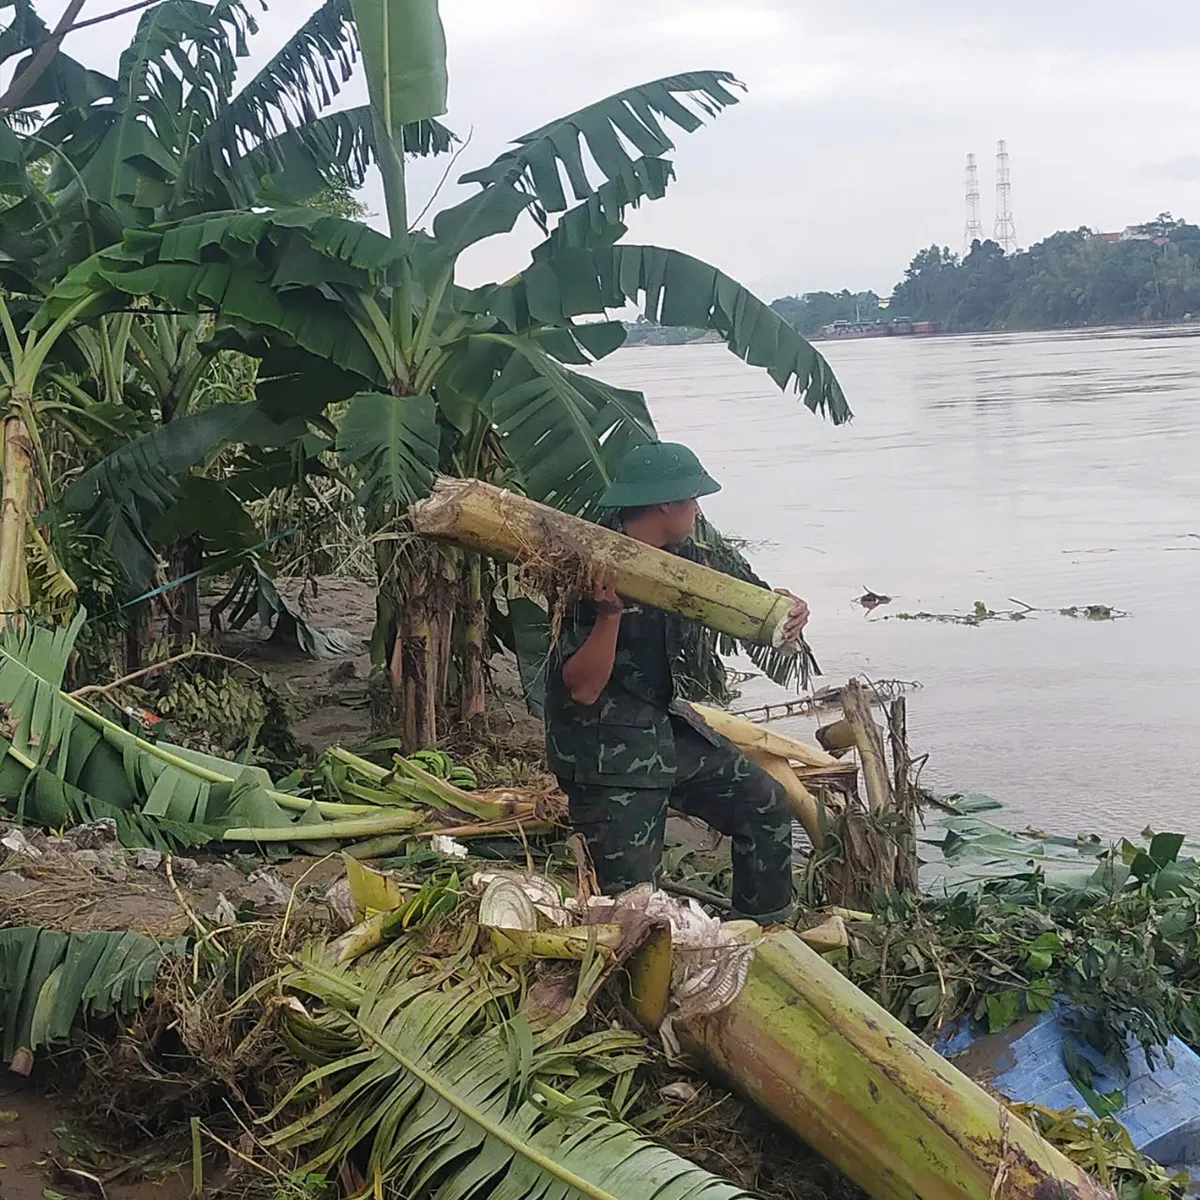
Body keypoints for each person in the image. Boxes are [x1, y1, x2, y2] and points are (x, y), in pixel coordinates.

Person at [544, 442, 810, 924]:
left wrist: (787, 614)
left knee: (767, 806)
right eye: (691, 499)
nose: (697, 508)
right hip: (606, 754)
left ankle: (764, 933)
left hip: (663, 726)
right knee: (633, 906)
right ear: (665, 504)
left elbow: (755, 606)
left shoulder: (689, 556)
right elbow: (581, 689)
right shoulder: (591, 564)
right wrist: (609, 616)